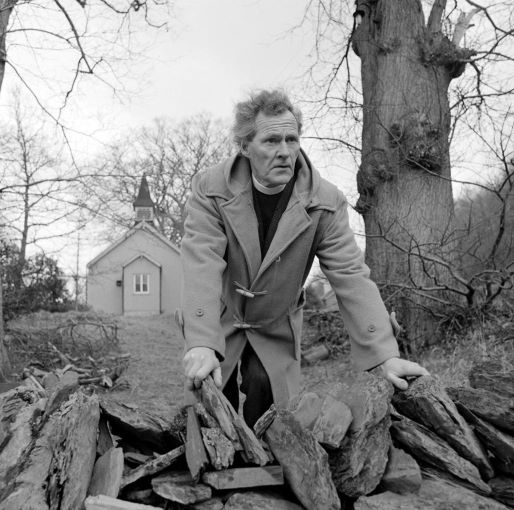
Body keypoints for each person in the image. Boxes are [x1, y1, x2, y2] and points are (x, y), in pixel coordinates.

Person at [179, 89, 428, 427]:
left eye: (292, 139)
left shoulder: (324, 201)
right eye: (271, 141)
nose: (285, 152)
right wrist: (202, 342)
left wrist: (384, 354)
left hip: (276, 324)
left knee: (268, 405)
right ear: (244, 146)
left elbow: (350, 275)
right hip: (221, 315)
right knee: (213, 407)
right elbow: (201, 263)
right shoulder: (210, 189)